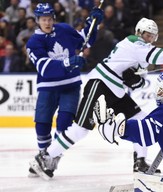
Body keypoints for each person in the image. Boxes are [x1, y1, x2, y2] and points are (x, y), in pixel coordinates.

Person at [29, 17, 163, 180]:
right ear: (139, 33)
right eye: (146, 34)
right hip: (100, 83)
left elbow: (139, 81)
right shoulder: (133, 42)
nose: (148, 38)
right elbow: (155, 55)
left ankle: (140, 161)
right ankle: (44, 157)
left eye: (152, 36)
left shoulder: (142, 55)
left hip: (116, 91)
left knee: (142, 120)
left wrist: (135, 81)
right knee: (81, 129)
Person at [26, 3, 104, 177]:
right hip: (48, 87)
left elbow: (85, 40)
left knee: (65, 122)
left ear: (54, 18)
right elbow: (44, 67)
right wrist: (68, 62)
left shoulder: (64, 29)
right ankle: (43, 155)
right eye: (43, 19)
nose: (47, 22)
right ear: (37, 20)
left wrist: (93, 24)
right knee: (43, 123)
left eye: (49, 19)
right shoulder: (34, 42)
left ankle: (52, 158)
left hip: (71, 85)